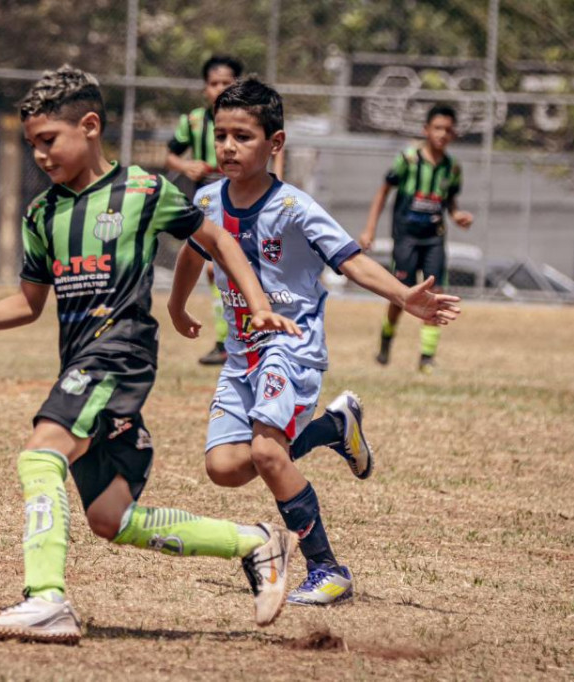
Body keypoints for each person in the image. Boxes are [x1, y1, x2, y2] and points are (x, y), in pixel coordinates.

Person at [0, 65, 304, 645]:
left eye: (49, 140)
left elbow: (217, 238)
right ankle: (254, 542)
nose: (40, 156)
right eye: (32, 146)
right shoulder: (41, 216)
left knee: (39, 453)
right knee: (110, 519)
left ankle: (46, 599)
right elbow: (29, 303)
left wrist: (255, 304)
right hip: (83, 366)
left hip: (118, 354)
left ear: (90, 126)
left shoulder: (144, 192)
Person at [167, 78, 461, 606]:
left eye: (243, 136)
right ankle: (332, 426)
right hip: (243, 355)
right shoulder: (207, 199)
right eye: (221, 136)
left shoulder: (296, 208)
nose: (228, 147)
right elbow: (194, 252)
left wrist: (405, 296)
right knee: (224, 469)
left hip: (292, 346)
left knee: (266, 453)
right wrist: (175, 304)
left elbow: (350, 259)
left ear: (275, 144)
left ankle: (328, 570)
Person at [358, 103, 474, 373]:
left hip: (434, 238)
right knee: (401, 295)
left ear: (453, 134)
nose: (442, 134)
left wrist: (457, 215)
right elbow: (383, 192)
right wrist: (369, 229)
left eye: (448, 129)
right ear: (426, 130)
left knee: (437, 294)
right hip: (406, 239)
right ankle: (387, 340)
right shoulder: (408, 160)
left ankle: (426, 358)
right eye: (437, 128)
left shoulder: (452, 168)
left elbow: (450, 202)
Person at [166, 55, 242, 366]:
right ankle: (226, 341)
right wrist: (186, 165)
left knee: (226, 268)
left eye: (227, 83)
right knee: (214, 269)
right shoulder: (194, 122)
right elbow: (170, 155)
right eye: (214, 84)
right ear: (205, 89)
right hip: (207, 205)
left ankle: (233, 339)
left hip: (241, 200)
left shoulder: (247, 118)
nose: (220, 89)